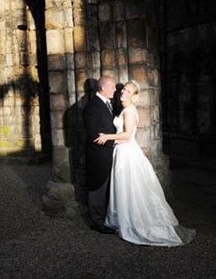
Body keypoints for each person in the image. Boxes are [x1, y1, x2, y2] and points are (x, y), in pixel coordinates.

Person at [94, 80, 196, 246]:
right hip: (121, 152)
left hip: (127, 152)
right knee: (124, 187)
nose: (123, 93)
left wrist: (107, 136)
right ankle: (124, 220)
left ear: (134, 96)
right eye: (124, 90)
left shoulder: (130, 111)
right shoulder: (123, 110)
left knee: (132, 188)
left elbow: (127, 135)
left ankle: (138, 224)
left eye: (128, 92)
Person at [83, 75, 117, 234]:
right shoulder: (92, 107)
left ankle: (105, 218)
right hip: (99, 156)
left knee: (106, 189)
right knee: (98, 187)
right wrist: (116, 141)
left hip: (108, 154)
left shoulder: (107, 104)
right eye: (112, 87)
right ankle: (97, 222)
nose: (115, 90)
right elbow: (94, 135)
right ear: (103, 88)